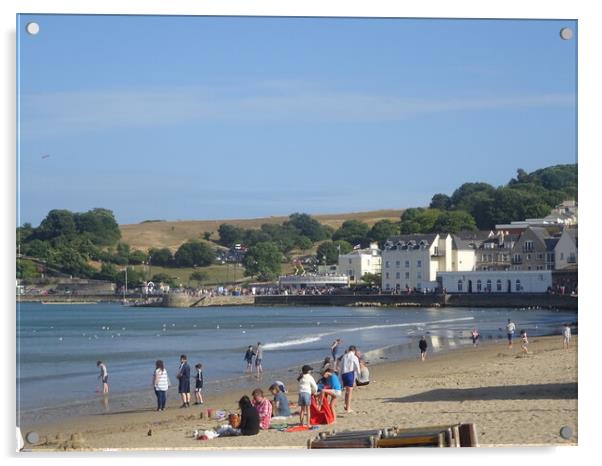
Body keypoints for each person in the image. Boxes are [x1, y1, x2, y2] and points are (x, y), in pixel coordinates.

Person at [340, 346, 361, 413]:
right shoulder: (354, 357)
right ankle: (348, 408)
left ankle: (346, 405)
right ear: (354, 350)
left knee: (347, 391)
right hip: (350, 374)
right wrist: (358, 376)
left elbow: (341, 367)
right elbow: (357, 367)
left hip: (343, 374)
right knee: (350, 392)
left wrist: (340, 378)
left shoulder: (344, 356)